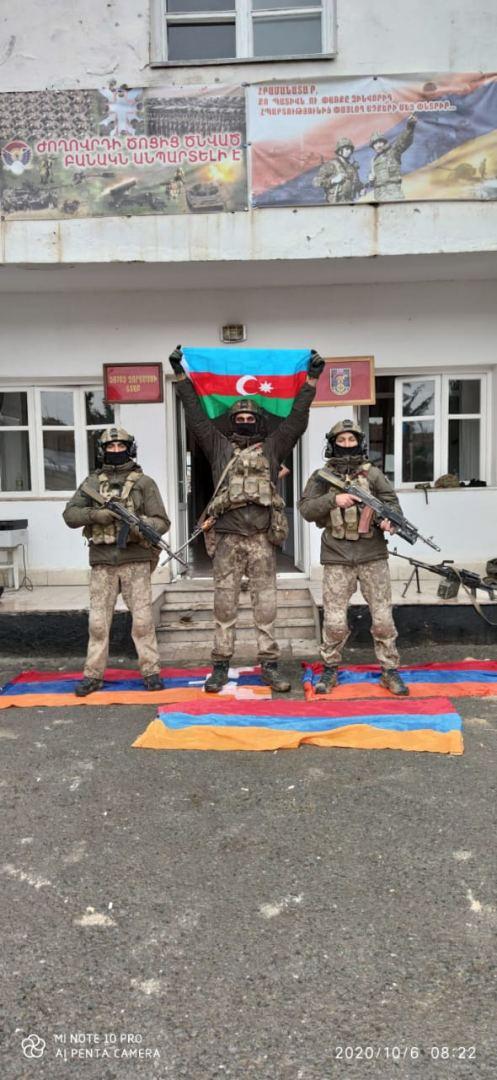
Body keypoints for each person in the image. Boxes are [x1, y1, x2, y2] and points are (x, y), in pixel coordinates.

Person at [169, 347, 324, 692]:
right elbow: (194, 414)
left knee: (265, 605)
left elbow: (297, 419)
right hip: (226, 539)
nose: (244, 421)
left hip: (260, 540)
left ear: (259, 420)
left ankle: (269, 665)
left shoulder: (272, 448)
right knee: (224, 605)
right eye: (239, 417)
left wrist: (311, 380)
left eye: (250, 417)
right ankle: (220, 665)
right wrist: (180, 375)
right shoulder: (217, 446)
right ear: (230, 422)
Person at [298, 419, 408, 696]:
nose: (347, 444)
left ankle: (389, 671)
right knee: (334, 621)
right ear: (333, 443)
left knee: (383, 619)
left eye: (351, 440)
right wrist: (334, 500)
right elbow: (306, 509)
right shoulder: (321, 477)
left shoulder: (373, 474)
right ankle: (330, 669)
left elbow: (392, 504)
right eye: (341, 440)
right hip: (336, 557)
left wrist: (389, 522)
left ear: (359, 442)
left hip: (372, 555)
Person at [63, 426, 170, 696]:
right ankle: (93, 675)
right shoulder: (90, 483)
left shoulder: (144, 483)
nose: (116, 451)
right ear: (102, 451)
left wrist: (139, 524)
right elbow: (70, 515)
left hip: (135, 562)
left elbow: (162, 522)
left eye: (120, 446)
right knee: (98, 624)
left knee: (143, 622)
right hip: (102, 562)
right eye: (110, 447)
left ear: (129, 449)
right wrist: (96, 515)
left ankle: (151, 672)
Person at [369, 115, 417, 201]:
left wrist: (410, 128)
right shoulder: (373, 160)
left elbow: (402, 142)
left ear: (384, 143)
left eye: (380, 142)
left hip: (393, 194)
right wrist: (371, 179)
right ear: (373, 147)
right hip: (379, 196)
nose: (378, 145)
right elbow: (374, 181)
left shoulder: (393, 152)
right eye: (375, 143)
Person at [313, 136, 363, 204]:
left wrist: (361, 188)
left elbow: (357, 183)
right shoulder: (331, 165)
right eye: (347, 149)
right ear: (340, 151)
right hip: (335, 204)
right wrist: (333, 180)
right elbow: (316, 182)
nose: (350, 151)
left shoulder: (352, 167)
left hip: (349, 203)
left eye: (351, 149)